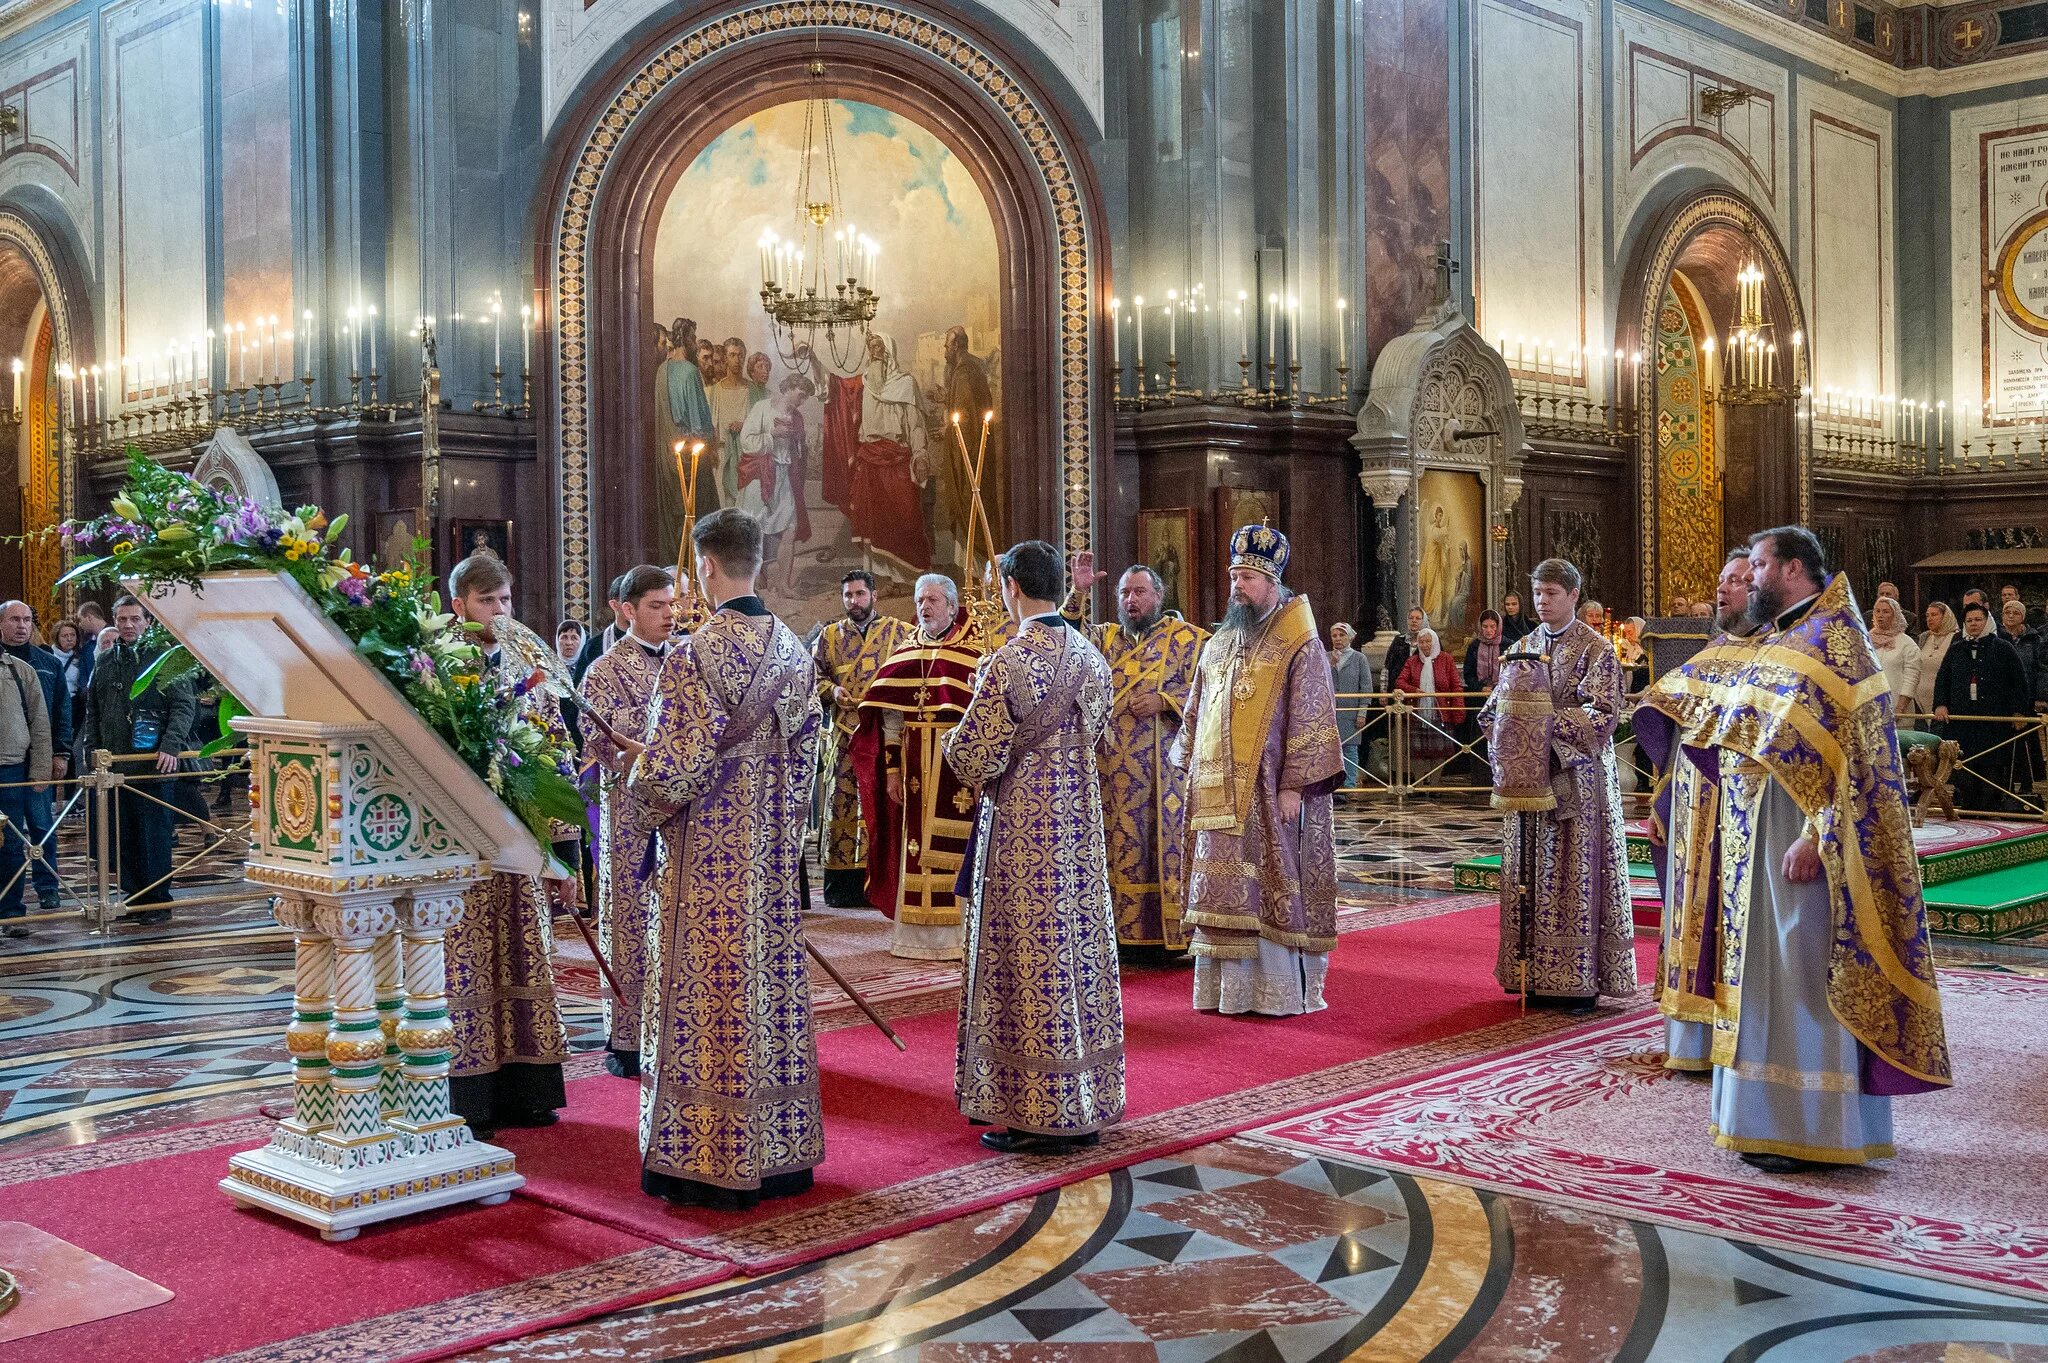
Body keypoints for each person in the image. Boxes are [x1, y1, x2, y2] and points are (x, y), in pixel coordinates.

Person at [1638, 527, 1951, 1170]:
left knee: (1802, 970)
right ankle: (1760, 1120)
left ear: (1791, 567)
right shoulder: (1782, 635)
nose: (1747, 577)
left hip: (1803, 844)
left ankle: (1817, 1128)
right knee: (1758, 974)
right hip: (1752, 839)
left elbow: (1858, 759)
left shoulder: (1834, 639)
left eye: (1755, 565)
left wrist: (1818, 834)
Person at [626, 508, 824, 1209]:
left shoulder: (693, 654)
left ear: (706, 567)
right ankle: (779, 1151)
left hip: (705, 861)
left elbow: (669, 770)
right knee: (766, 992)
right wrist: (782, 827)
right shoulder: (796, 651)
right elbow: (809, 761)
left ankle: (703, 1152)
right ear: (759, 562)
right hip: (770, 861)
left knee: (705, 998)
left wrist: (636, 804)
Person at [943, 539, 1123, 1153]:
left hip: (1022, 828)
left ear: (1013, 587)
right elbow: (1097, 732)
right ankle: (1086, 1096)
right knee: (1074, 948)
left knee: (1024, 954)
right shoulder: (1091, 657)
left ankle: (1035, 1110)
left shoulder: (1009, 663)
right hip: (1078, 828)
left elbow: (971, 756)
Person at [1169, 524, 1344, 1015]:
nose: (1237, 585)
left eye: (1247, 576)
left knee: (1270, 882)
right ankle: (1227, 992)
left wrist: (1295, 785)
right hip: (1215, 793)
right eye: (1234, 576)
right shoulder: (1221, 642)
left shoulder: (1299, 641)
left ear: (1273, 581)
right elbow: (1198, 708)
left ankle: (1275, 992)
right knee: (1223, 888)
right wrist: (1185, 761)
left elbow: (1313, 714)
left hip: (1270, 793)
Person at [443, 553, 574, 1134]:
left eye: (506, 600)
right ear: (458, 605)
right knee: (466, 968)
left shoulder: (532, 670)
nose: (500, 612)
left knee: (524, 953)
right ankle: (468, 1097)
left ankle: (527, 1089)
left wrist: (561, 855)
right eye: (487, 601)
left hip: (520, 849)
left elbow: (557, 758)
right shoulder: (436, 673)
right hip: (460, 850)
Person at [1480, 558, 1634, 1012]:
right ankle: (1529, 973)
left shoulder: (1596, 649)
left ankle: (1577, 980)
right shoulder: (1521, 647)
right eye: (1537, 593)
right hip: (1526, 784)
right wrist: (1507, 737)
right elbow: (1495, 709)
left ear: (1572, 596)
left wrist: (1540, 731)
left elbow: (1603, 713)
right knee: (1528, 872)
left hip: (1577, 783)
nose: (1542, 601)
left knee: (1572, 875)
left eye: (1551, 593)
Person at [1637, 548, 1763, 1073]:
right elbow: (1675, 735)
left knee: (1733, 922)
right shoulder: (1710, 653)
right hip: (1691, 810)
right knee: (1692, 917)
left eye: (1736, 580)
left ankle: (1739, 1036)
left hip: (1741, 817)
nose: (1723, 589)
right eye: (1721, 580)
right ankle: (1692, 1041)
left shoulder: (1776, 656)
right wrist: (1661, 801)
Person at [1063, 556, 1208, 949]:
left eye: (1139, 592)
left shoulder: (1189, 640)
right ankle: (1118, 936)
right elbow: (1064, 637)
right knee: (1114, 845)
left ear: (1158, 596)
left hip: (1165, 771)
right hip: (1109, 770)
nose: (1131, 600)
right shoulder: (1106, 640)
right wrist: (1079, 591)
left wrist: (1165, 699)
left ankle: (1168, 936)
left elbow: (1211, 691)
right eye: (1125, 592)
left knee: (1161, 847)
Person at [851, 573, 985, 959]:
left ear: (952, 606)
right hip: (913, 772)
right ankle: (914, 938)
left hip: (954, 768)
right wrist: (891, 770)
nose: (924, 608)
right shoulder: (905, 653)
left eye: (933, 600)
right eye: (919, 600)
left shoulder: (973, 652)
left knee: (955, 847)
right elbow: (890, 719)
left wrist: (979, 771)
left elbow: (981, 718)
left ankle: (957, 940)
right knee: (913, 846)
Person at [578, 565, 677, 1080]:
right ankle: (629, 1037)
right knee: (631, 923)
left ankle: (676, 1029)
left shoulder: (689, 661)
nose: (668, 614)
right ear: (629, 609)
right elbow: (599, 744)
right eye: (657, 606)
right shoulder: (605, 670)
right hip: (630, 816)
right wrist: (651, 755)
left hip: (682, 813)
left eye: (671, 603)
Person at [83, 595, 192, 926]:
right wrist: (93, 750)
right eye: (122, 619)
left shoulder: (165, 659)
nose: (128, 625)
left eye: (134, 619)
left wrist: (171, 745)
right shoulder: (103, 661)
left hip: (154, 765)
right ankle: (132, 896)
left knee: (153, 835)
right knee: (122, 835)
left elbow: (184, 706)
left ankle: (157, 900)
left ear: (147, 622)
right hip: (114, 766)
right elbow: (94, 710)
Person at [813, 570, 910, 907]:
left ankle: (880, 885)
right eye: (848, 595)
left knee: (879, 807)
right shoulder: (828, 636)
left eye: (859, 594)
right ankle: (844, 889)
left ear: (874, 595)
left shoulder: (900, 633)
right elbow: (814, 678)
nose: (853, 601)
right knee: (841, 806)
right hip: (843, 737)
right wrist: (832, 689)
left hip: (883, 736)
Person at [848, 332, 935, 583]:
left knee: (905, 518)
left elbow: (916, 425)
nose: (874, 351)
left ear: (889, 350)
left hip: (897, 457)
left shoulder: (905, 384)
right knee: (874, 521)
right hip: (871, 457)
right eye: (871, 347)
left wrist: (919, 454)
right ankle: (883, 580)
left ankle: (907, 579)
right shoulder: (865, 384)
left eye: (879, 346)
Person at [0, 601, 71, 909]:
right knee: (10, 834)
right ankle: (10, 900)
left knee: (43, 825)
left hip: (39, 754)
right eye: (15, 619)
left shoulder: (47, 662)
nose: (22, 626)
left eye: (27, 620)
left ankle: (47, 886)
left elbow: (58, 711)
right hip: (9, 757)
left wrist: (61, 753)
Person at [1933, 600, 2031, 812]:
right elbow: (1943, 678)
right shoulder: (1957, 649)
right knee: (1965, 770)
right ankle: (1968, 811)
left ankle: (1991, 811)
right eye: (1969, 620)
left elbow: (2018, 680)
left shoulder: (2003, 648)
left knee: (1992, 770)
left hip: (1993, 721)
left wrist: (2018, 711)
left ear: (1987, 621)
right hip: (1963, 720)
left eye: (1978, 619)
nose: (1974, 624)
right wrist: (1940, 704)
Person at [738, 376, 811, 592]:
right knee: (755, 529)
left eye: (806, 397)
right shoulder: (762, 408)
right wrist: (772, 434)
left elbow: (799, 451)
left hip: (785, 475)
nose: (802, 400)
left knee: (789, 529)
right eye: (801, 394)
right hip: (761, 475)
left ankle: (784, 585)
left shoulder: (797, 417)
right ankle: (753, 581)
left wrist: (798, 441)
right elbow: (746, 441)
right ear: (788, 388)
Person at [0, 620, 50, 936]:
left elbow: (39, 721)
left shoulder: (19, 670)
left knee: (11, 844)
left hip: (10, 770)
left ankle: (11, 911)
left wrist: (41, 769)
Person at [1395, 627, 1465, 779]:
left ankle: (1434, 786)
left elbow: (1455, 686)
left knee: (1439, 751)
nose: (1425, 645)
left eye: (1428, 641)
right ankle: (1418, 786)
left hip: (1440, 711)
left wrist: (1458, 711)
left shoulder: (1446, 659)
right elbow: (1400, 681)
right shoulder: (1412, 661)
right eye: (1421, 642)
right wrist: (1414, 690)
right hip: (1418, 712)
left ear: (1434, 642)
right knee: (1417, 752)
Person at [709, 336, 755, 507]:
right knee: (724, 506)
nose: (737, 360)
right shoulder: (717, 390)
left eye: (741, 355)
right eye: (733, 355)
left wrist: (744, 425)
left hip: (746, 455)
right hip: (723, 456)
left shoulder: (751, 389)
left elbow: (759, 423)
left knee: (745, 507)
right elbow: (712, 425)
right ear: (726, 358)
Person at [1327, 621, 1372, 793]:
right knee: (1330, 751)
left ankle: (1350, 786)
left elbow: (1366, 687)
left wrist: (1362, 712)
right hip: (1330, 712)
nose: (1338, 639)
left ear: (1350, 637)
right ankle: (1331, 787)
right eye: (1334, 636)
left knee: (1350, 750)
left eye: (1341, 635)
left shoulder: (1359, 658)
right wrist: (1330, 663)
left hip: (1350, 712)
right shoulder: (1326, 656)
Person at [1461, 610, 1505, 783]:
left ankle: (1499, 778)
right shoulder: (1473, 646)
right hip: (1479, 699)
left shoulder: (1506, 644)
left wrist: (1496, 687)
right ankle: (1480, 779)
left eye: (1492, 627)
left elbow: (1511, 671)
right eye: (1485, 626)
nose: (1488, 631)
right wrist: (1480, 687)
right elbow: (1468, 673)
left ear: (1498, 627)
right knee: (1479, 740)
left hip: (1500, 698)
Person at [1867, 596, 1922, 731]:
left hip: (1897, 711)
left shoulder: (1907, 643)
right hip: (1869, 709)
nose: (1880, 615)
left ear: (1895, 614)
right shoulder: (1865, 639)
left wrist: (1900, 708)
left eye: (1886, 612)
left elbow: (1912, 678)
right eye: (1877, 611)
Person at [573, 573, 631, 685]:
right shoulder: (594, 646)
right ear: (614, 605)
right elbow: (580, 690)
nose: (632, 606)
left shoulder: (656, 642)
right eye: (626, 601)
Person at [1915, 601, 1957, 721]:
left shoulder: (1956, 638)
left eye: (1934, 615)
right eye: (1927, 615)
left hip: (1945, 703)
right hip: (1919, 702)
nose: (1929, 619)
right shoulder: (1924, 637)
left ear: (1945, 617)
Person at [1383, 606, 1427, 691]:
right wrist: (1383, 691)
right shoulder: (1398, 640)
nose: (1414, 621)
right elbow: (1387, 667)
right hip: (1397, 690)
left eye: (1418, 618)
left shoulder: (1430, 641)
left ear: (1423, 621)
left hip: (1420, 690)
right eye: (1411, 618)